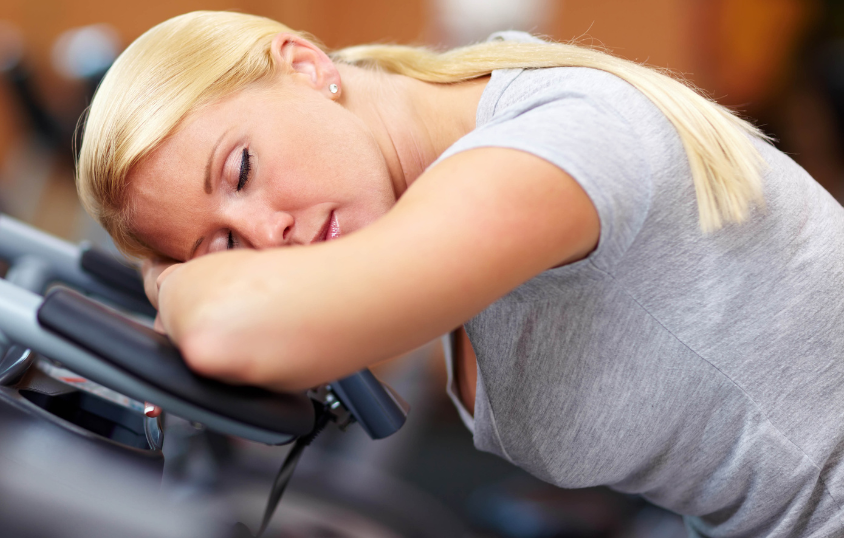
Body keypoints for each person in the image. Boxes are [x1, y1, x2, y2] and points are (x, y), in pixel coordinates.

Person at [75, 11, 844, 537]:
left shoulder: (545, 142)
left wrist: (173, 283)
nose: (265, 234)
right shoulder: (433, 171)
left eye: (240, 170)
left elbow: (232, 328)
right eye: (225, 246)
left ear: (305, 67)